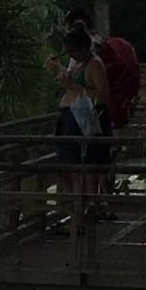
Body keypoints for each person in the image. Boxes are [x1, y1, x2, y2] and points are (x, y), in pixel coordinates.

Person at [48, 26, 106, 225]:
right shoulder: (78, 64)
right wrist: (59, 71)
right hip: (68, 117)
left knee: (82, 168)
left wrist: (74, 86)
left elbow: (102, 95)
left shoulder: (95, 65)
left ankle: (83, 212)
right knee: (67, 168)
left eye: (73, 51)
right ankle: (75, 211)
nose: (71, 55)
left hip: (81, 120)